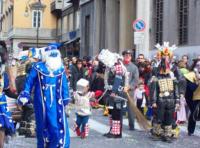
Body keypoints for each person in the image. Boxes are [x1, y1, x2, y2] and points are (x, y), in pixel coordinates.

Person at [18, 45, 71, 148]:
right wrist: (25, 93)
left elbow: (64, 84)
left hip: (57, 102)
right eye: (52, 55)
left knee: (56, 126)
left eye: (55, 55)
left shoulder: (60, 69)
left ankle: (56, 145)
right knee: (43, 126)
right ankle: (43, 145)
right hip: (41, 102)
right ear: (47, 56)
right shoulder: (38, 67)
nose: (54, 57)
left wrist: (65, 98)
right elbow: (29, 82)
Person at [150, 42, 181, 142]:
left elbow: (177, 86)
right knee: (158, 117)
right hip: (160, 99)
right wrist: (153, 101)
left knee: (168, 117)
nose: (166, 58)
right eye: (164, 55)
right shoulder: (156, 70)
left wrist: (177, 101)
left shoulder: (174, 70)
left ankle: (167, 134)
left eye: (167, 56)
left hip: (170, 99)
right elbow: (153, 87)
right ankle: (157, 133)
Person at [98, 49, 129, 138]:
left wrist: (114, 91)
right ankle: (112, 130)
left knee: (116, 113)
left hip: (117, 93)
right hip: (112, 92)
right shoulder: (111, 66)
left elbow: (118, 79)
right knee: (112, 112)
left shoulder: (118, 65)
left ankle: (117, 133)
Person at [0, 55, 16, 148]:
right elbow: (8, 90)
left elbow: (7, 89)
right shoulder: (3, 75)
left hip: (1, 106)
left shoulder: (3, 75)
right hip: (1, 106)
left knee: (1, 128)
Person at [122, 49, 139, 130]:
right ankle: (118, 124)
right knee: (119, 107)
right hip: (120, 90)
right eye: (125, 55)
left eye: (129, 56)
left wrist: (129, 87)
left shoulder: (134, 67)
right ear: (123, 56)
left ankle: (131, 125)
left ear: (131, 57)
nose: (127, 57)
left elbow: (135, 80)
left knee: (130, 108)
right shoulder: (120, 65)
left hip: (130, 91)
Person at [184, 59, 200, 136]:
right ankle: (191, 130)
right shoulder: (190, 75)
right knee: (194, 112)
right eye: (198, 65)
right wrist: (197, 80)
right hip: (192, 97)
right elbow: (191, 88)